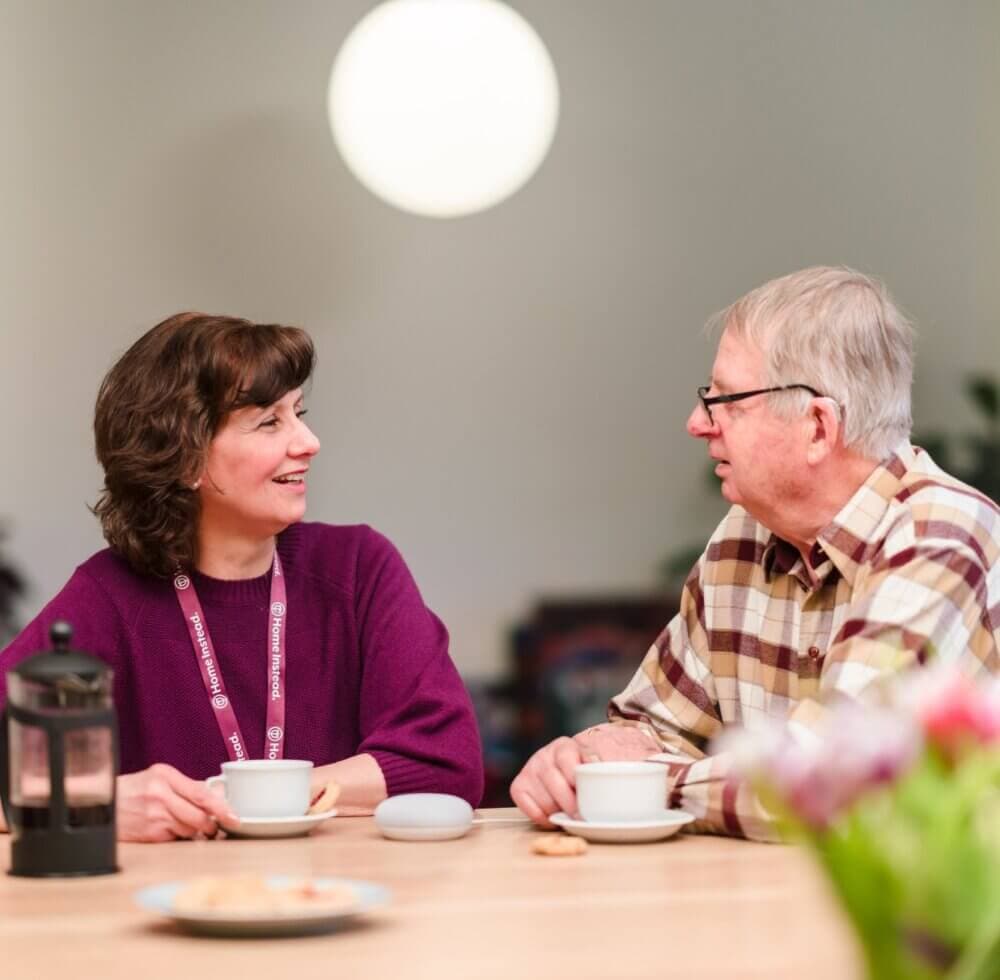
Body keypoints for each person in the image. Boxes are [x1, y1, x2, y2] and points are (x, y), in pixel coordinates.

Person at [511, 266, 1000, 840]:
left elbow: (832, 782)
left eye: (727, 401)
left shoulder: (942, 536)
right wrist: (579, 760)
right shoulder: (743, 535)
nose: (697, 423)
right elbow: (651, 727)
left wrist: (640, 782)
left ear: (818, 427)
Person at [1, 313, 483, 842]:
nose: (309, 441)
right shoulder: (108, 596)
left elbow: (447, 764)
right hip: (170, 911)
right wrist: (95, 806)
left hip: (335, 898)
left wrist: (264, 797)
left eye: (298, 412)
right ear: (186, 458)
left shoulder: (358, 567)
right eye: (269, 422)